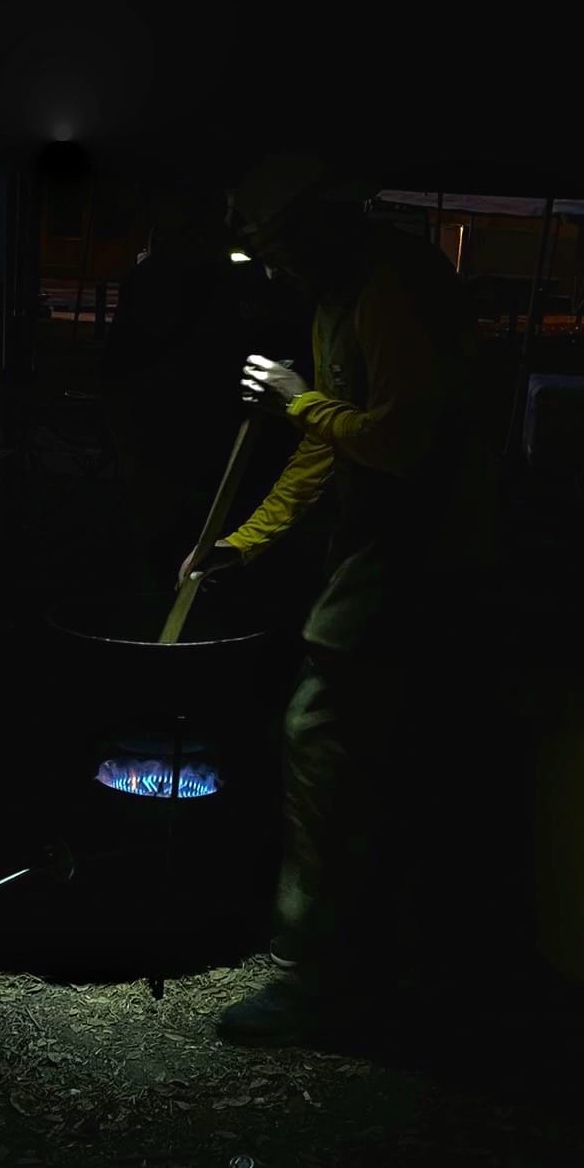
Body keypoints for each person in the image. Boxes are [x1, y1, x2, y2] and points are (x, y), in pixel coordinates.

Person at [179, 152, 466, 1047]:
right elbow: (321, 452)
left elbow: (399, 441)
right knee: (371, 757)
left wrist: (300, 401)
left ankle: (326, 979)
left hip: (426, 557)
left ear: (326, 220)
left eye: (280, 245)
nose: (275, 268)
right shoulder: (336, 294)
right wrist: (242, 541)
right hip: (378, 555)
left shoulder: (394, 288)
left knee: (324, 735)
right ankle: (385, 964)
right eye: (264, 251)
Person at [104, 180, 307, 592]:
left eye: (206, 222)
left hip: (246, 450)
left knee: (237, 563)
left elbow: (288, 344)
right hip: (169, 453)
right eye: (183, 226)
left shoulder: (250, 276)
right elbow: (121, 375)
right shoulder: (151, 282)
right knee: (170, 562)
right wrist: (132, 455)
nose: (202, 235)